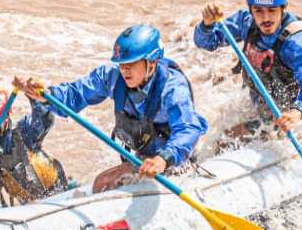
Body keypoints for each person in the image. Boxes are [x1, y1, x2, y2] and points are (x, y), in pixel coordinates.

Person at [16, 24, 208, 193]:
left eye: (131, 64)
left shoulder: (172, 88)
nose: (124, 70)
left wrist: (163, 159)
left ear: (152, 62)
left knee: (104, 182)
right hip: (145, 159)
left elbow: (188, 129)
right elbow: (76, 95)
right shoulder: (112, 77)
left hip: (174, 159)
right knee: (101, 183)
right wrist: (45, 96)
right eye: (122, 64)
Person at [193, 0, 302, 147]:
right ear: (250, 9)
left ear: (283, 8)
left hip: (291, 120)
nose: (265, 18)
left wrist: (297, 112)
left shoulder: (296, 42)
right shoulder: (246, 23)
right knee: (222, 141)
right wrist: (207, 25)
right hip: (262, 109)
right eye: (258, 11)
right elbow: (207, 42)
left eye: (272, 10)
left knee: (225, 141)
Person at [0, 81, 69, 210]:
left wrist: (34, 98)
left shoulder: (24, 131)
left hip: (58, 191)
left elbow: (44, 120)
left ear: (4, 118)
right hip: (30, 204)